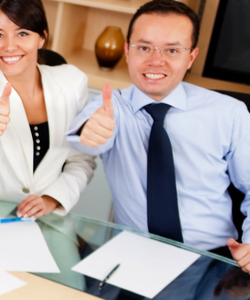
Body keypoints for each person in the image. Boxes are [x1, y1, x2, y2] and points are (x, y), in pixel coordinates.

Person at [67, 0, 249, 270]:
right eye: (144, 47)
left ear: (191, 56)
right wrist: (91, 132)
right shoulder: (111, 106)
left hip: (215, 258)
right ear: (128, 51)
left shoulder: (230, 113)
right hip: (135, 254)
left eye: (172, 50)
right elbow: (86, 134)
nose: (156, 60)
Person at [0, 0, 95, 288]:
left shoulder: (72, 82)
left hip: (47, 216)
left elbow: (81, 160)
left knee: (70, 290)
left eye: (22, 33)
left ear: (42, 36)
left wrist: (54, 197)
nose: (9, 46)